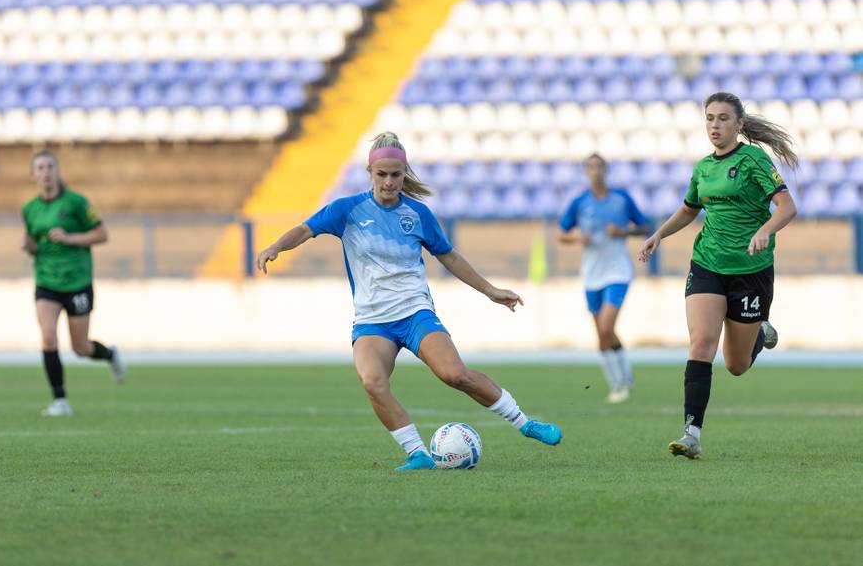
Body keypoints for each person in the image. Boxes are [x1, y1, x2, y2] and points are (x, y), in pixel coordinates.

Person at [256, 132, 562, 470]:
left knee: (454, 374)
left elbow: (450, 257)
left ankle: (524, 422)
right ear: (370, 173)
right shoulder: (347, 210)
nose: (389, 182)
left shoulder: (418, 214)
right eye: (382, 175)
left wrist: (491, 291)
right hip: (372, 320)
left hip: (415, 312)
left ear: (405, 173)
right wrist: (275, 247)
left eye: (396, 175)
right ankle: (418, 453)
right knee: (372, 382)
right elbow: (304, 229)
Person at [638, 93, 798, 459]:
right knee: (701, 344)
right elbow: (688, 210)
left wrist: (765, 231)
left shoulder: (754, 160)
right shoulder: (703, 168)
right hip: (707, 263)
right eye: (709, 118)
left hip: (750, 272)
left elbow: (787, 207)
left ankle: (758, 331)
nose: (715, 125)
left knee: (736, 365)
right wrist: (658, 234)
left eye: (723, 118)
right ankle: (691, 434)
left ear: (738, 124)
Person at [22, 151, 126, 417]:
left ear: (57, 171)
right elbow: (33, 242)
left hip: (77, 282)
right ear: (34, 175)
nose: (45, 172)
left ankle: (110, 355)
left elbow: (102, 234)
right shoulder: (29, 209)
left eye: (50, 167)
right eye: (40, 168)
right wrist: (29, 246)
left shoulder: (77, 203)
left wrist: (70, 238)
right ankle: (60, 401)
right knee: (48, 337)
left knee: (80, 348)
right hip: (46, 281)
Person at [559, 154, 650, 403]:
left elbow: (644, 226)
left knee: (607, 327)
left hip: (618, 271)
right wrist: (577, 238)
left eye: (599, 167)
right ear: (586, 172)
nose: (595, 171)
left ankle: (621, 384)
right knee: (601, 336)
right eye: (590, 167)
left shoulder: (621, 199)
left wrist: (622, 231)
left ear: (605, 170)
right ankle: (621, 381)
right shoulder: (579, 202)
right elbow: (561, 234)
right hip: (591, 274)